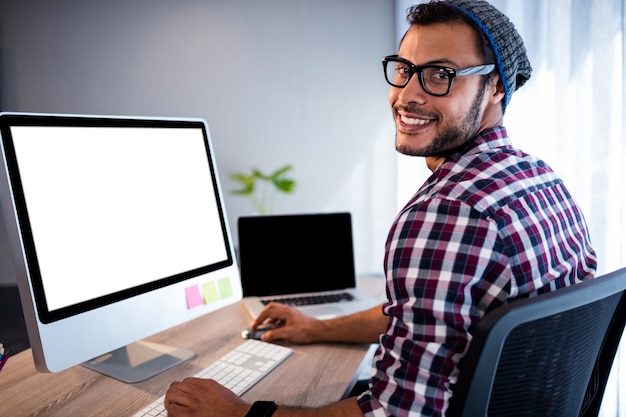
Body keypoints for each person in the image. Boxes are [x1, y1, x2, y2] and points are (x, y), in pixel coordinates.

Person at [164, 1, 597, 416]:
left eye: (441, 75)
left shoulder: (447, 212)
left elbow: (394, 413)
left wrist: (237, 413)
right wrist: (316, 329)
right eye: (405, 70)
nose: (408, 95)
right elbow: (431, 318)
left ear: (497, 86)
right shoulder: (539, 178)